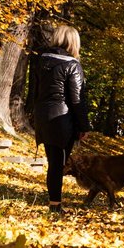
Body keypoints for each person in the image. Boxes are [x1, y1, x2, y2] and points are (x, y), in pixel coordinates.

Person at [30, 22, 91, 214]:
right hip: (62, 120)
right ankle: (55, 206)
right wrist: (84, 126)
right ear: (73, 42)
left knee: (53, 163)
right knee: (58, 164)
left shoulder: (41, 61)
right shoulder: (72, 65)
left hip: (43, 117)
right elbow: (77, 99)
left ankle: (54, 203)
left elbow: (35, 92)